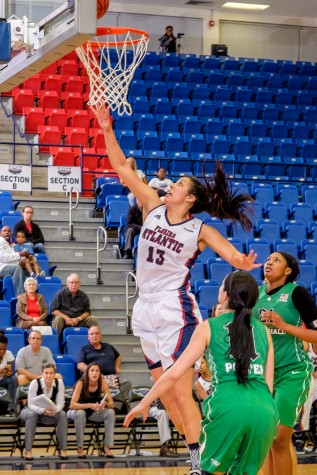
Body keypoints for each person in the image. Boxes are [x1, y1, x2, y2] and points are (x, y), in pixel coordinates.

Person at [92, 104, 261, 475]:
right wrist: (106, 127)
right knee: (166, 393)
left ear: (190, 200)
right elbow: (122, 168)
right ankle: (195, 453)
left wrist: (241, 262)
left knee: (180, 391)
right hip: (144, 307)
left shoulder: (199, 230)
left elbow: (230, 253)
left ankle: (204, 457)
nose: (171, 185)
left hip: (175, 308)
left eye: (180, 184)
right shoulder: (151, 206)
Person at [124, 271, 278, 475]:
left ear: (225, 295)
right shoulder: (264, 331)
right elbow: (268, 385)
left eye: (222, 286)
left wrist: (144, 403)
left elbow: (173, 373)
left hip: (228, 409)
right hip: (265, 413)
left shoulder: (209, 327)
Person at [252, 251, 317, 475]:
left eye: (276, 260)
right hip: (263, 375)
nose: (269, 261)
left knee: (279, 437)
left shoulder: (296, 293)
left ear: (288, 270)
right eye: (268, 258)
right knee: (267, 438)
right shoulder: (257, 293)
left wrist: (285, 325)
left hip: (293, 371)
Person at [20, 362, 68, 460]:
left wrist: (55, 410)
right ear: (42, 373)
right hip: (30, 411)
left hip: (50, 412)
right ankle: (28, 450)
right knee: (33, 414)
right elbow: (30, 404)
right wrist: (43, 410)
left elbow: (60, 403)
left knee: (62, 414)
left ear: (54, 374)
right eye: (46, 373)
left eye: (51, 373)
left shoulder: (59, 383)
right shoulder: (35, 383)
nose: (48, 375)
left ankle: (63, 449)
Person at [67, 362, 115, 458]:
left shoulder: (103, 383)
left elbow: (112, 404)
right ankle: (80, 448)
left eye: (97, 371)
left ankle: (106, 447)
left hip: (92, 412)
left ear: (100, 373)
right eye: (92, 370)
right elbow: (72, 405)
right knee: (81, 413)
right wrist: (89, 405)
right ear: (87, 373)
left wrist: (104, 404)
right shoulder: (81, 383)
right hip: (76, 411)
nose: (94, 373)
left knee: (110, 412)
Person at [77, 326, 131, 410]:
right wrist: (95, 373)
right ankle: (101, 404)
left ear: (101, 335)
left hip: (111, 377)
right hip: (95, 379)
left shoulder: (108, 347)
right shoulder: (84, 349)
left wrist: (117, 367)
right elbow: (80, 365)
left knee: (126, 383)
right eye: (92, 334)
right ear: (88, 337)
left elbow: (118, 357)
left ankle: (116, 406)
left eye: (96, 333)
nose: (94, 335)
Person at [0, 225, 27, 295]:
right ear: (0, 233)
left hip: (12, 266)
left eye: (8, 231)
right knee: (16, 268)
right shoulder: (0, 243)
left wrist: (25, 259)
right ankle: (20, 294)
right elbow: (3, 258)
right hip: (2, 268)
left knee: (29, 269)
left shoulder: (12, 245)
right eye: (4, 231)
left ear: (11, 233)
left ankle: (31, 296)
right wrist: (19, 254)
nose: (6, 232)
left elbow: (15, 258)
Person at [0, 330, 17, 416]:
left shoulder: (9, 354)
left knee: (13, 379)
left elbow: (12, 370)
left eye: (4, 349)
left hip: (3, 381)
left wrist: (9, 373)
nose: (2, 351)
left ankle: (11, 408)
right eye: (0, 349)